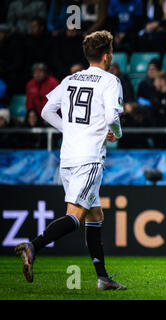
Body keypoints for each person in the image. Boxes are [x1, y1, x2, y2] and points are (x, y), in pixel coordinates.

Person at [14, 30, 127, 290]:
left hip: (67, 158)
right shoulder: (110, 81)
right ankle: (34, 245)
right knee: (75, 216)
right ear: (107, 55)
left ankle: (103, 278)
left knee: (94, 214)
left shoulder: (71, 79)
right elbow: (112, 119)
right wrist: (117, 134)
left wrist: (70, 129)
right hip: (89, 159)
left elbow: (45, 111)